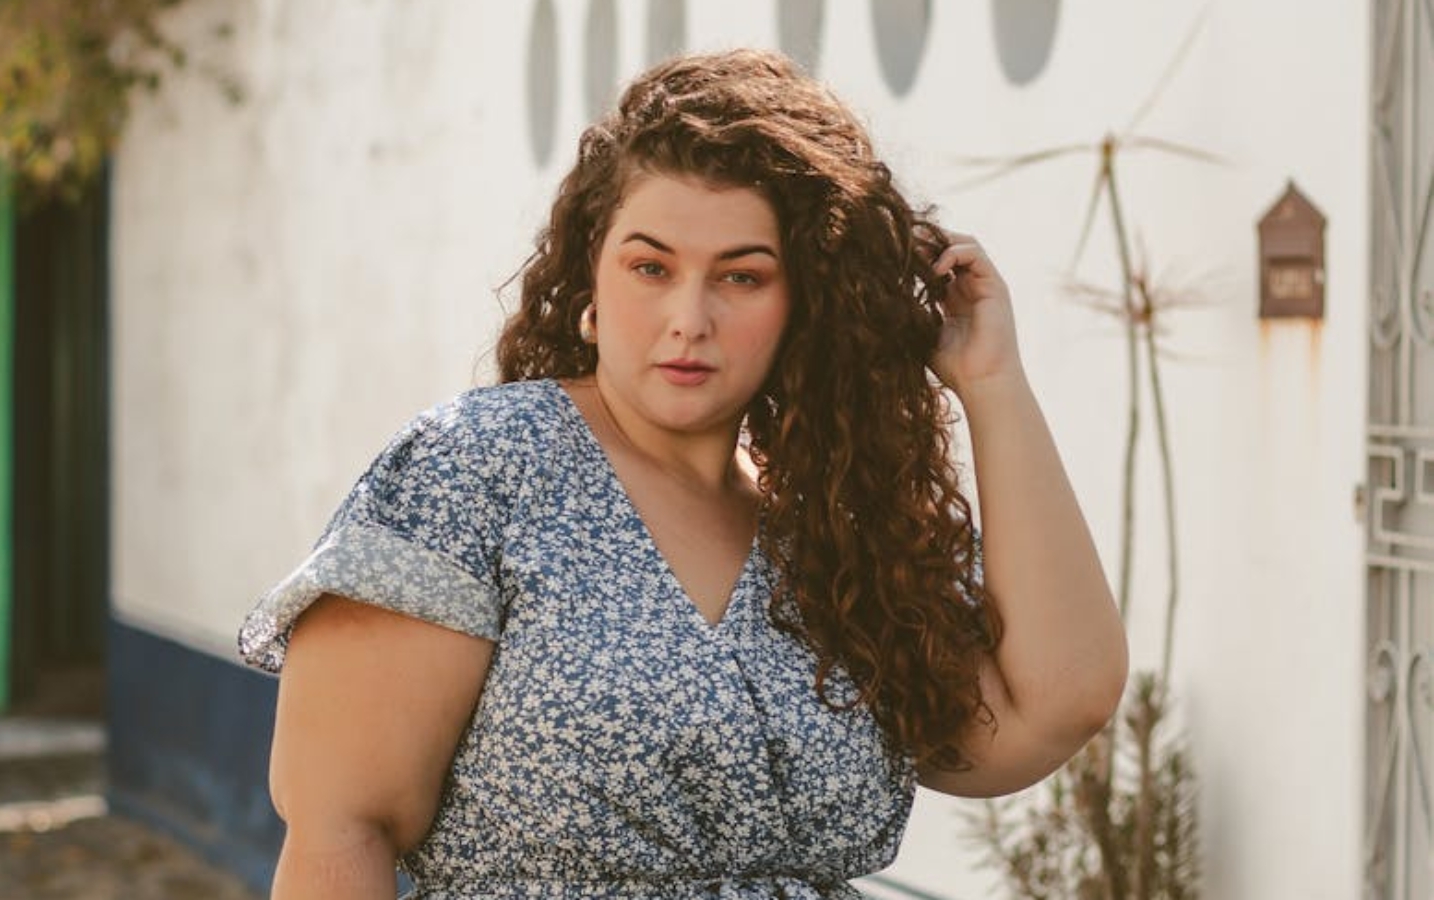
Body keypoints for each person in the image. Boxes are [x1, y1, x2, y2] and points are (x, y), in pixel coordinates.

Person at [239, 48, 1127, 900]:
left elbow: (1056, 706)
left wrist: (993, 385)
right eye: (650, 267)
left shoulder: (829, 530)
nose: (687, 318)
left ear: (804, 304)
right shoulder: (474, 472)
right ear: (592, 278)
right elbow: (338, 833)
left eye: (742, 278)